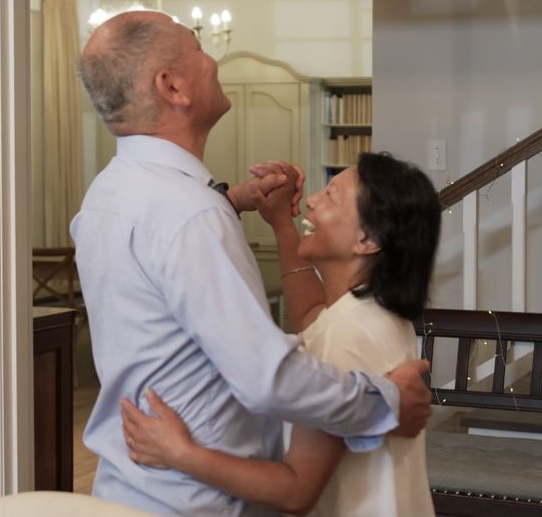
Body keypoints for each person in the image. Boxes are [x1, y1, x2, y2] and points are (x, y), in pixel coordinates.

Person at [70, 10, 432, 516]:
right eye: (198, 48)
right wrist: (387, 403)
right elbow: (268, 378)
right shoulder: (189, 215)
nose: (212, 58)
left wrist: (233, 201)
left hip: (132, 488)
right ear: (173, 86)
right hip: (196, 502)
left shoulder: (108, 195)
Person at [122, 153, 441, 516]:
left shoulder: (348, 333)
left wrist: (180, 453)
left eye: (331, 195)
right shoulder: (372, 314)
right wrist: (281, 224)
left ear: (367, 239)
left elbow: (296, 489)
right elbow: (310, 315)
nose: (312, 200)